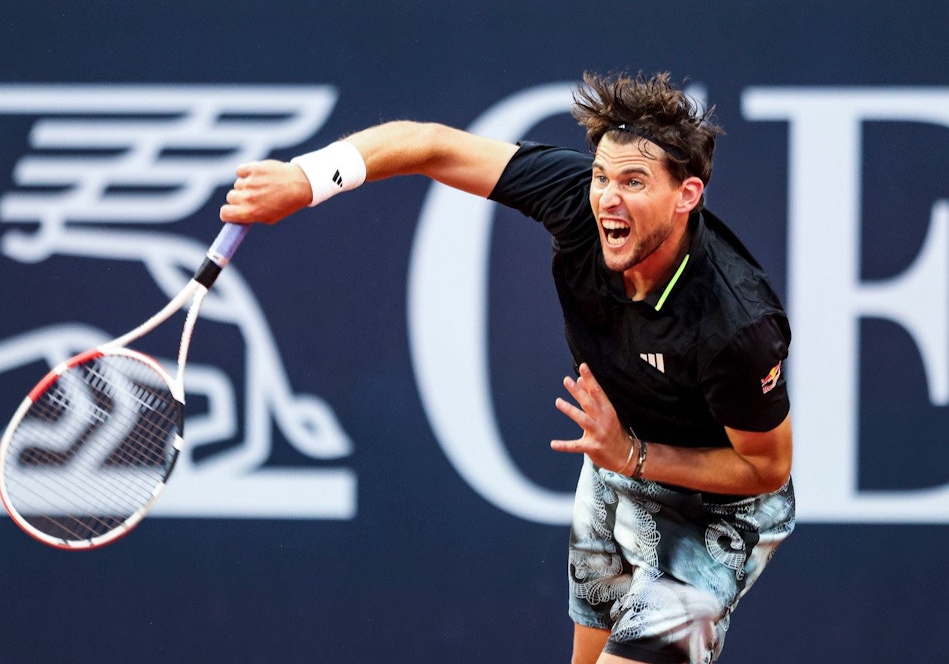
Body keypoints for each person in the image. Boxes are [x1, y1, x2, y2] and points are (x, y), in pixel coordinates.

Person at [220, 70, 796, 664]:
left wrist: (635, 456)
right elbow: (432, 145)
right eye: (601, 176)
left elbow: (767, 469)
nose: (607, 197)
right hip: (617, 457)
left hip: (713, 510)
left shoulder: (735, 325)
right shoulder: (579, 204)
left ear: (687, 194)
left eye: (633, 180)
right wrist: (307, 177)